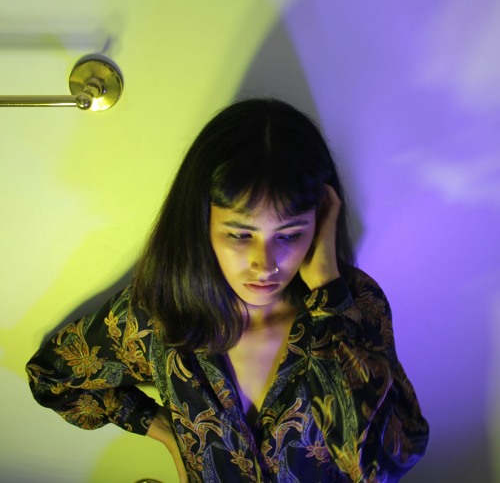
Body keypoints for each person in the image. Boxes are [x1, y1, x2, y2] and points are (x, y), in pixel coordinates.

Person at [26, 98, 429, 482]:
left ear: (320, 222)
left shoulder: (355, 304)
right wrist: (164, 432)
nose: (265, 264)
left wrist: (328, 292)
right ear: (201, 220)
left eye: (290, 234)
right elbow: (51, 377)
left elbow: (382, 466)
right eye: (240, 234)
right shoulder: (157, 315)